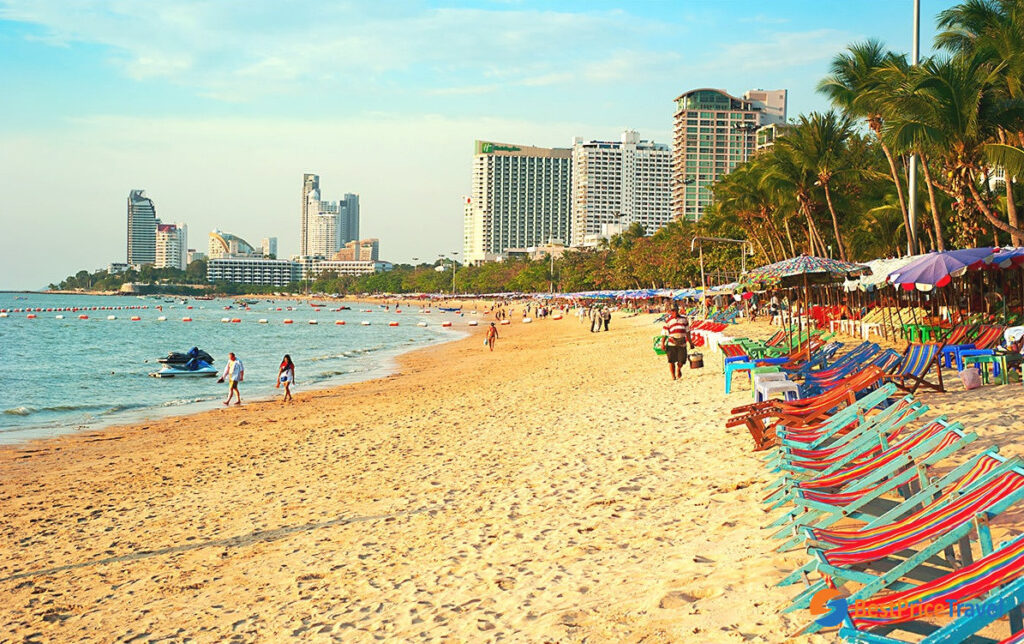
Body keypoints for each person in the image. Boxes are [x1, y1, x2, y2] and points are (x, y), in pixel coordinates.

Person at [661, 308, 692, 381]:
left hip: (682, 343)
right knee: (671, 361)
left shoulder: (684, 320)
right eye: (672, 311)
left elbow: (687, 332)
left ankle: (679, 369)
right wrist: (662, 343)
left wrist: (691, 342)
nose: (674, 312)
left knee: (681, 361)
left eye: (675, 311)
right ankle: (673, 376)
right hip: (672, 343)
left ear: (677, 311)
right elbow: (664, 333)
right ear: (670, 312)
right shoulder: (668, 321)